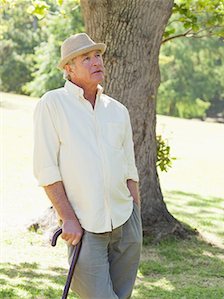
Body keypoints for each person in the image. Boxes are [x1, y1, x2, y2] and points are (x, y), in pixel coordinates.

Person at [33, 33, 142, 299]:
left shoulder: (117, 110)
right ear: (69, 68)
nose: (96, 62)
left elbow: (129, 167)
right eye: (87, 58)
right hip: (84, 225)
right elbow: (45, 168)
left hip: (125, 221)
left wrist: (136, 216)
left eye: (98, 56)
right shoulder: (53, 104)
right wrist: (67, 217)